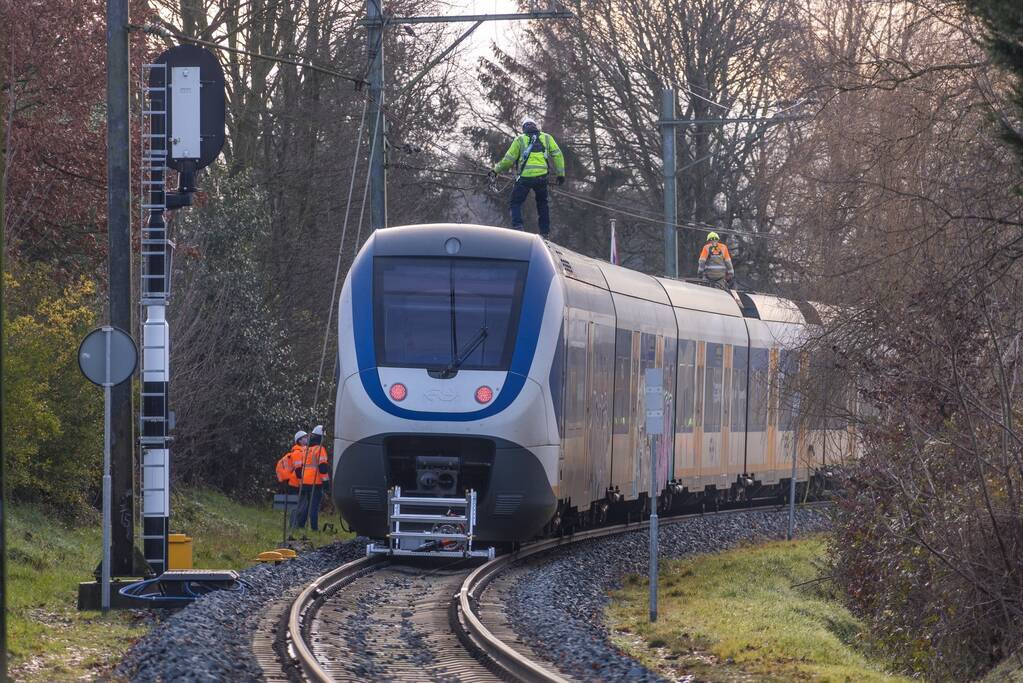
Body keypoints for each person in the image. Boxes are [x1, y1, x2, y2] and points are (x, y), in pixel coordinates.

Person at [488, 117, 565, 236]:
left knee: (515, 202)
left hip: (525, 178)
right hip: (542, 178)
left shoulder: (520, 139)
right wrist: (561, 175)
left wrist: (495, 171)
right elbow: (558, 155)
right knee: (542, 204)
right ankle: (545, 233)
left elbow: (508, 160)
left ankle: (518, 228)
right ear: (535, 126)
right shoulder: (546, 138)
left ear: (524, 128)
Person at [292, 425, 330, 533]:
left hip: (305, 482)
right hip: (315, 482)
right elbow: (322, 468)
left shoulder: (307, 449)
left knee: (307, 505)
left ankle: (301, 525)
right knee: (314, 507)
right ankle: (314, 529)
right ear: (321, 437)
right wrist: (326, 482)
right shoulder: (320, 449)